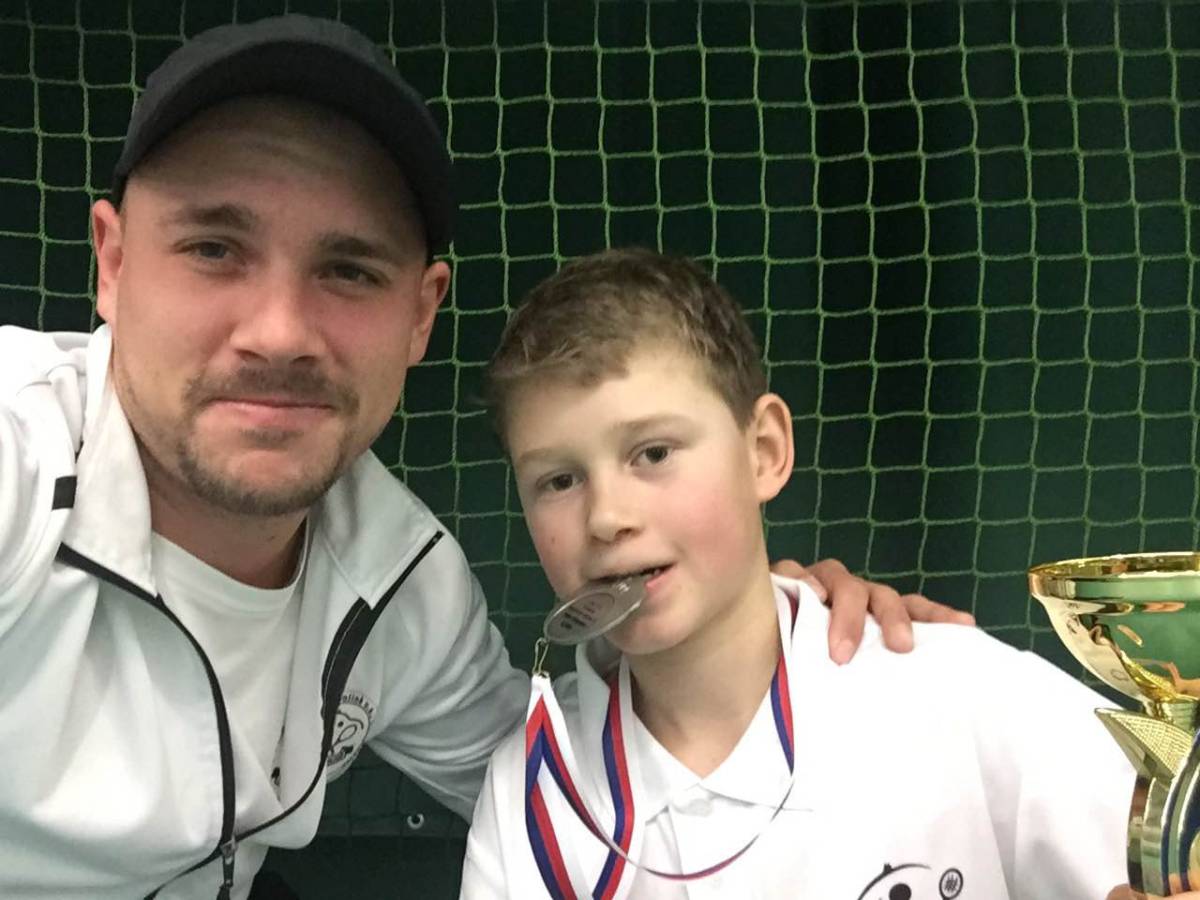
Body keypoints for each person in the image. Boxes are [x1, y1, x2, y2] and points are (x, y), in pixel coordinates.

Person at [0, 15, 970, 900]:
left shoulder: (402, 580)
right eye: (214, 249)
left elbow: (568, 779)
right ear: (112, 263)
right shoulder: (20, 457)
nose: (280, 331)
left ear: (420, 314)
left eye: (348, 269)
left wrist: (775, 629)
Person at [459, 247, 1136, 899]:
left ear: (764, 452)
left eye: (653, 453)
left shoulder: (966, 697)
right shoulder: (531, 789)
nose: (607, 516)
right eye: (559, 480)